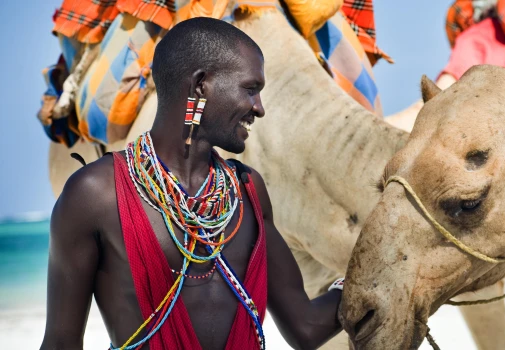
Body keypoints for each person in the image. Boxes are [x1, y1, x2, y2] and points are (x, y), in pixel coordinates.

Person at [40, 18, 343, 350]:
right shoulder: (95, 196)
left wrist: (376, 273)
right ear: (201, 86)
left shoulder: (247, 192)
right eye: (250, 89)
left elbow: (306, 327)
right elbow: (60, 343)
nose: (259, 108)